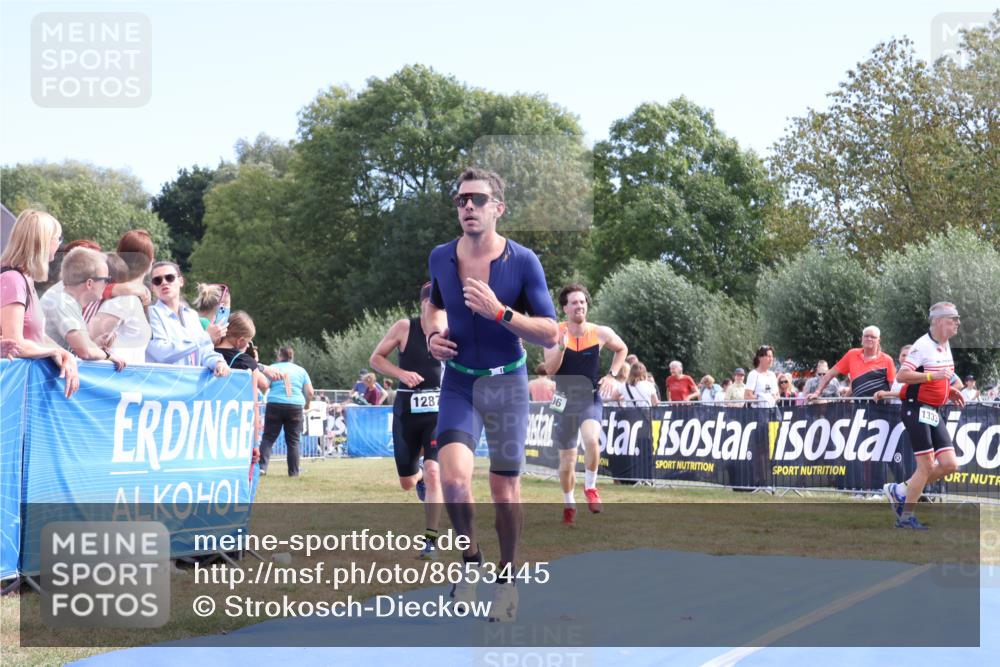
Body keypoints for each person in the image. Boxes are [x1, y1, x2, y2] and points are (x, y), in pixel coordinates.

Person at [425, 167, 558, 622]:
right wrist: (432, 335)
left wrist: (501, 313)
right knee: (456, 480)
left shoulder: (523, 261)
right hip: (459, 381)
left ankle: (507, 580)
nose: (467, 207)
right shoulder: (441, 256)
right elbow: (433, 305)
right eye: (461, 200)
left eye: (478, 200)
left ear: (498, 208)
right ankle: (470, 565)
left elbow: (551, 333)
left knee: (504, 489)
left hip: (507, 382)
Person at [369, 282, 445, 560]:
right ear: (422, 305)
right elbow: (375, 358)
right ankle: (421, 474)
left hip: (439, 411)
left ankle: (431, 541)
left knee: (436, 472)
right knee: (407, 482)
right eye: (431, 305)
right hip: (407, 411)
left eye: (440, 306)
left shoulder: (451, 329)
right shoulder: (404, 327)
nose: (436, 312)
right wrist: (401, 374)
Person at [543, 283, 627, 525]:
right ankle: (569, 503)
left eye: (583, 302)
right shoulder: (554, 333)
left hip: (590, 397)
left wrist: (611, 374)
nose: (580, 306)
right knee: (567, 462)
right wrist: (561, 343)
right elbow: (550, 369)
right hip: (563, 402)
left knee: (592, 440)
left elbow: (621, 349)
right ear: (565, 308)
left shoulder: (600, 332)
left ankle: (590, 488)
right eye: (574, 303)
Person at [882, 302, 966, 529]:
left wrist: (950, 390)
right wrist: (932, 376)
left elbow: (943, 377)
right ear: (938, 321)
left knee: (949, 464)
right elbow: (903, 375)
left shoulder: (945, 343)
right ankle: (906, 518)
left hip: (932, 410)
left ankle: (899, 490)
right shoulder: (922, 345)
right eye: (953, 319)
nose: (958, 322)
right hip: (915, 408)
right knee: (927, 466)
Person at [0, 209, 79, 397]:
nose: (59, 244)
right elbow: (15, 343)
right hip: (11, 391)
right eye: (58, 238)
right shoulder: (13, 280)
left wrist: (63, 353)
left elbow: (37, 335)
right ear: (43, 242)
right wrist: (55, 352)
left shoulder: (24, 280)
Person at [39, 248, 127, 371]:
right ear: (89, 283)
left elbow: (84, 346)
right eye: (106, 280)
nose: (107, 285)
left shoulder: (65, 296)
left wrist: (97, 345)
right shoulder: (63, 300)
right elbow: (85, 352)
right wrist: (108, 355)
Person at [145, 261, 230, 377]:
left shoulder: (192, 315)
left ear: (181, 281)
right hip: (164, 389)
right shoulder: (149, 314)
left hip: (191, 389)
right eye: (157, 280)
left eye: (169, 278)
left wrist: (219, 362)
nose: (164, 282)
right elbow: (162, 354)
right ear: (152, 287)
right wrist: (206, 336)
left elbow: (205, 352)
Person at [88, 230, 155, 365]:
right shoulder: (125, 299)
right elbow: (87, 340)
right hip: (113, 377)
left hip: (124, 378)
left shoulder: (130, 298)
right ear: (150, 262)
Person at [258, 345, 314, 477]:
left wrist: (264, 392)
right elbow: (310, 392)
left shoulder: (273, 367)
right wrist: (307, 405)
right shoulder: (301, 370)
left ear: (279, 356)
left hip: (275, 404)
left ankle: (262, 468)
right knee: (293, 441)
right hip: (295, 406)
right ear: (292, 357)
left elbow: (264, 385)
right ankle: (293, 472)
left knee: (268, 438)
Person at [807, 326, 895, 400]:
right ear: (862, 338)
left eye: (873, 337)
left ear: (878, 340)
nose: (869, 338)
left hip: (881, 410)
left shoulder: (887, 360)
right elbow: (830, 374)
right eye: (866, 336)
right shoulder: (852, 354)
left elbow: (892, 386)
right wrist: (817, 392)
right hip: (858, 408)